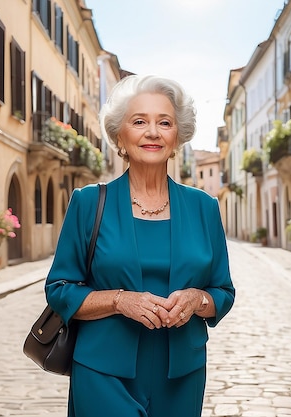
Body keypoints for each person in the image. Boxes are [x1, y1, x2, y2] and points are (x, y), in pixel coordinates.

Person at [45, 74, 235, 417]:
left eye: (164, 122)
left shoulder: (204, 207)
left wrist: (196, 299)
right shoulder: (88, 203)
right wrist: (120, 301)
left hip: (182, 373)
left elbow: (222, 292)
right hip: (103, 370)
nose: (153, 132)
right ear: (120, 135)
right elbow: (60, 289)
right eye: (139, 121)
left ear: (177, 136)